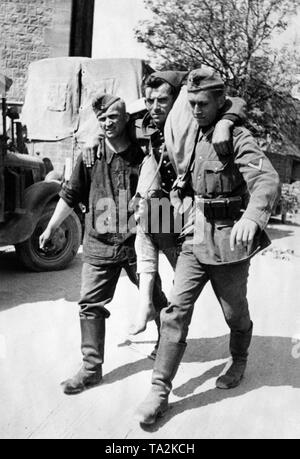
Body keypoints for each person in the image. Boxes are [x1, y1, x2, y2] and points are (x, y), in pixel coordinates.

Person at [135, 68, 280, 425]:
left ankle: (239, 358)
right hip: (194, 234)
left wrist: (252, 217)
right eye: (192, 103)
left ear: (219, 102)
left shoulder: (236, 136)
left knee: (235, 313)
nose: (196, 110)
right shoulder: (192, 135)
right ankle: (158, 390)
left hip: (230, 239)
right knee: (175, 311)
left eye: (203, 103)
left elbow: (267, 179)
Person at [39, 93, 168, 395]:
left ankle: (166, 346)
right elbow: (70, 195)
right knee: (90, 305)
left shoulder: (143, 157)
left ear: (125, 119)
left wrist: (165, 243)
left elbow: (157, 201)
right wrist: (50, 228)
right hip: (98, 243)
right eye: (102, 118)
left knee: (156, 299)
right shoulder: (90, 156)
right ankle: (90, 368)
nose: (108, 123)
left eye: (113, 117)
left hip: (137, 243)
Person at [130, 70, 247, 335]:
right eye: (149, 100)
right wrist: (91, 137)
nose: (155, 107)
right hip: (174, 206)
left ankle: (173, 328)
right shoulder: (149, 123)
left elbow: (236, 102)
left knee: (198, 287)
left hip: (203, 212)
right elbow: (107, 121)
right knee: (144, 218)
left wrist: (225, 122)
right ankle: (148, 307)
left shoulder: (191, 116)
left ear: (177, 98)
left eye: (162, 100)